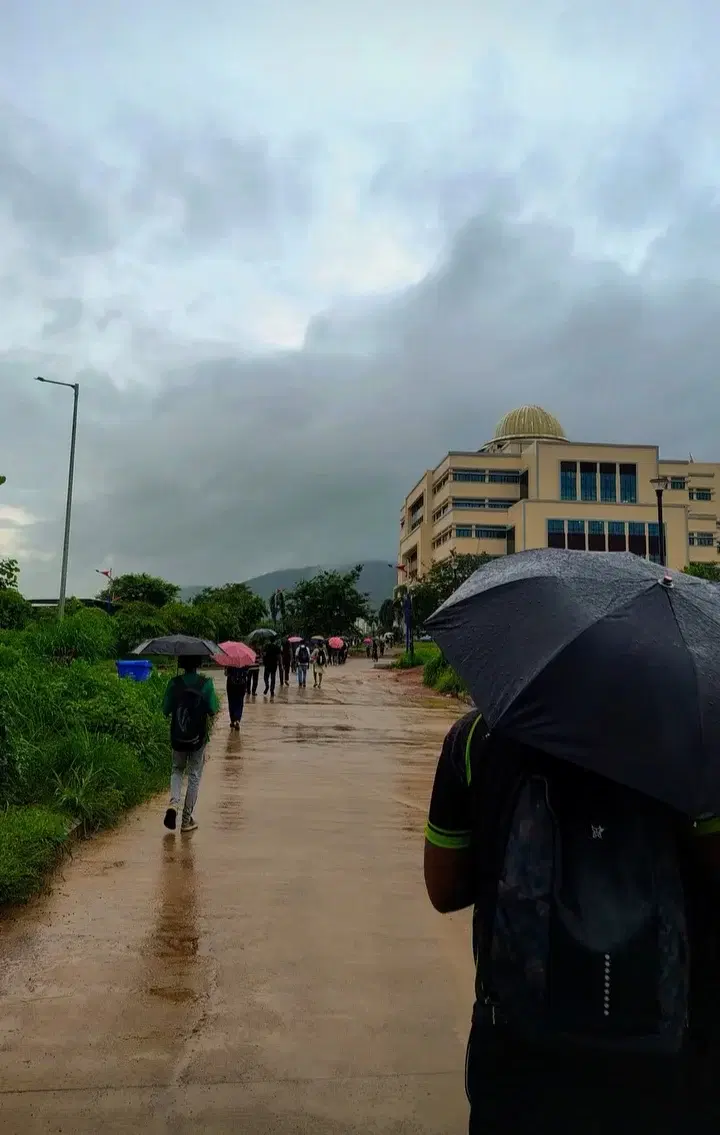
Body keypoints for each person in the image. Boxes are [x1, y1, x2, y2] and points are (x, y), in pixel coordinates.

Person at [424, 710, 720, 1134]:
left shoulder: (479, 736)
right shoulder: (696, 737)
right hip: (662, 1053)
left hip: (519, 1058)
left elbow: (444, 887)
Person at [162, 655, 219, 833]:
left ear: (181, 663)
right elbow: (213, 709)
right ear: (198, 664)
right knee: (194, 775)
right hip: (198, 738)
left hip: (178, 737)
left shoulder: (174, 683)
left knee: (177, 769)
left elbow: (165, 709)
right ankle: (186, 820)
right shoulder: (206, 683)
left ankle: (174, 803)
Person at [225, 665, 247, 731]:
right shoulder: (244, 664)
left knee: (231, 702)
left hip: (231, 685)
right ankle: (237, 720)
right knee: (240, 703)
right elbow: (246, 674)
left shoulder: (229, 663)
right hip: (241, 685)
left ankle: (232, 721)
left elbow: (226, 674)